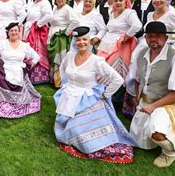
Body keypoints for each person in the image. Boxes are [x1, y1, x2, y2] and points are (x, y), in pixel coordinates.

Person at [53, 26, 134, 164]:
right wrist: (64, 84)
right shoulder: (69, 56)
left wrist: (105, 94)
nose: (81, 42)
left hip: (86, 99)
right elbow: (62, 68)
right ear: (74, 42)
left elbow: (118, 79)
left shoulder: (96, 61)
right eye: (78, 40)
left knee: (79, 134)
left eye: (85, 39)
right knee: (65, 127)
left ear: (90, 41)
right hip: (68, 96)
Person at [128, 21, 175, 168]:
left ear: (166, 37)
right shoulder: (141, 54)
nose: (153, 39)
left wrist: (154, 106)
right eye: (150, 36)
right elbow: (137, 80)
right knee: (139, 140)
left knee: (156, 133)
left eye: (158, 36)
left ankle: (170, 153)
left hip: (169, 104)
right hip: (146, 103)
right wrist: (137, 99)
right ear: (145, 37)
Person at [0, 22, 41, 118]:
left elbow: (36, 56)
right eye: (11, 31)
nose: (14, 32)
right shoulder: (2, 44)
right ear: (8, 32)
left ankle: (16, 104)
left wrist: (28, 68)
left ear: (19, 32)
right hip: (4, 69)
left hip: (19, 70)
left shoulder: (24, 46)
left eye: (16, 30)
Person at [97, 0, 142, 112]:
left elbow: (137, 26)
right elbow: (107, 28)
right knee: (102, 70)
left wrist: (126, 36)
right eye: (115, 0)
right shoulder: (112, 13)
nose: (117, 3)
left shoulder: (129, 13)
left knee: (116, 72)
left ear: (125, 2)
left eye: (120, 0)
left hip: (121, 47)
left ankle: (115, 102)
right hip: (107, 45)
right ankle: (105, 98)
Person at [23, 0, 53, 84]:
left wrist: (38, 24)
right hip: (30, 28)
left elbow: (49, 15)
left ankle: (39, 77)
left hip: (38, 31)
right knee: (29, 51)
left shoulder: (45, 2)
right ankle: (28, 74)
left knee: (37, 52)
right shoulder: (34, 2)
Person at [47, 0, 79, 87]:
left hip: (60, 37)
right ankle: (53, 79)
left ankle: (60, 82)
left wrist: (66, 32)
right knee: (53, 57)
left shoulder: (67, 9)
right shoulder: (55, 8)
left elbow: (75, 21)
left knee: (59, 57)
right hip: (52, 34)